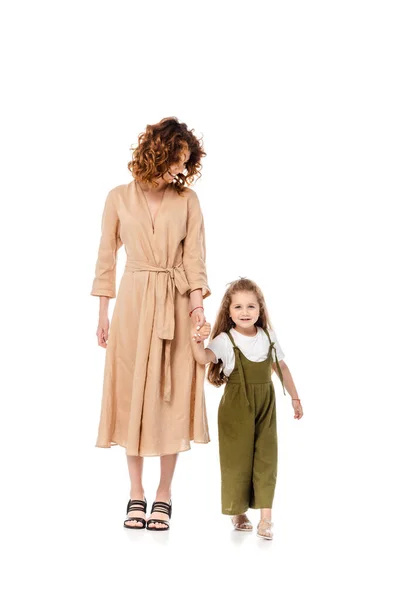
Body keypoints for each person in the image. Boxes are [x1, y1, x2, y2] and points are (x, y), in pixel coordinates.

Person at [91, 117, 211, 531]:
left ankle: (164, 493)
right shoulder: (118, 198)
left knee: (171, 395)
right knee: (133, 393)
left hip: (175, 305)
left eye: (185, 163)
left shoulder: (188, 201)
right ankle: (135, 492)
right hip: (132, 303)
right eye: (176, 160)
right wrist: (103, 314)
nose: (180, 169)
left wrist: (198, 311)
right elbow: (106, 258)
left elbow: (194, 260)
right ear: (157, 152)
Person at [190, 277, 303, 540]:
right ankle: (238, 511)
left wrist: (295, 397)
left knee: (267, 458)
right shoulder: (224, 340)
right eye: (238, 307)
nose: (245, 312)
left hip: (266, 404)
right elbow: (202, 358)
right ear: (229, 312)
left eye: (251, 306)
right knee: (237, 461)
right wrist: (197, 339)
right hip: (236, 407)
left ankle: (266, 519)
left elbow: (280, 367)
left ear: (260, 310)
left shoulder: (267, 336)